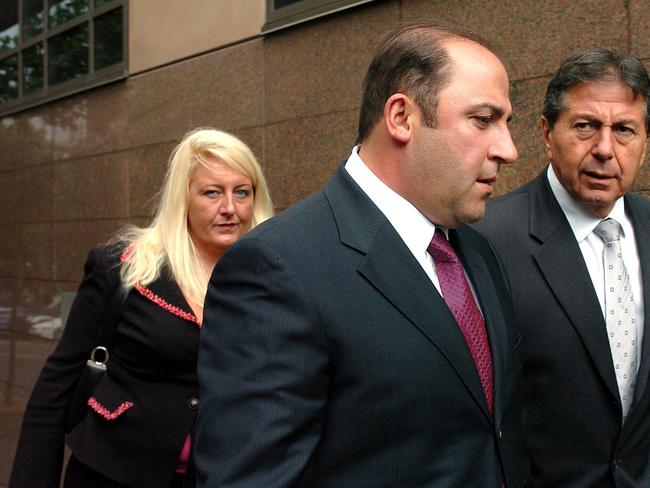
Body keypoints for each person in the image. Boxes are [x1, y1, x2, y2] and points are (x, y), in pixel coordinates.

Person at [195, 21, 526, 487]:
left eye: (506, 122)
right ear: (401, 118)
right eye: (482, 120)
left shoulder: (478, 252)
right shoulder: (279, 268)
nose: (508, 149)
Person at [9, 128, 274, 488]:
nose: (229, 208)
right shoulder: (124, 267)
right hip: (110, 474)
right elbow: (56, 385)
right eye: (212, 192)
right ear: (183, 198)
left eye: (241, 192)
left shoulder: (273, 280)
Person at [474, 48, 650, 487]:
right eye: (586, 127)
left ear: (645, 145)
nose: (605, 149)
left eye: (624, 130)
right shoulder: (486, 242)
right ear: (547, 134)